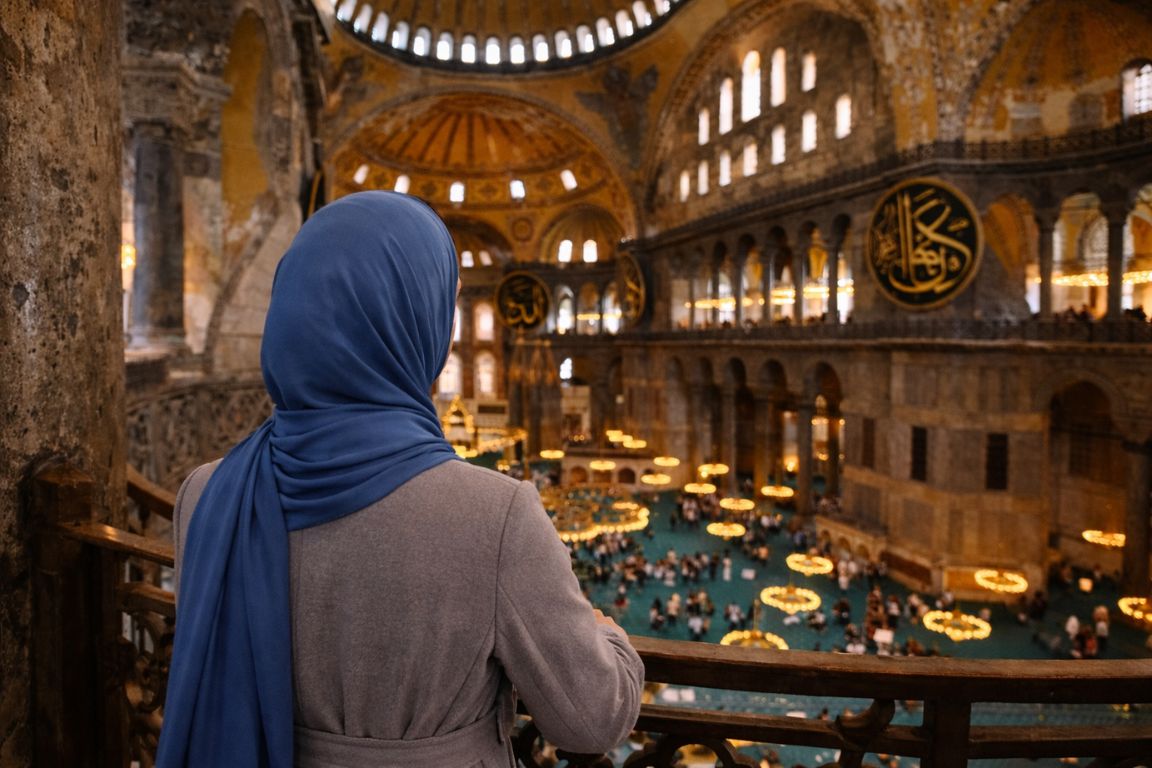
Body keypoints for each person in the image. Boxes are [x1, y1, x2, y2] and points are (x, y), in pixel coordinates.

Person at [157, 192, 644, 767]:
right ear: (415, 325)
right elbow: (591, 719)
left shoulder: (207, 496)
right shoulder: (495, 514)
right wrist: (609, 637)